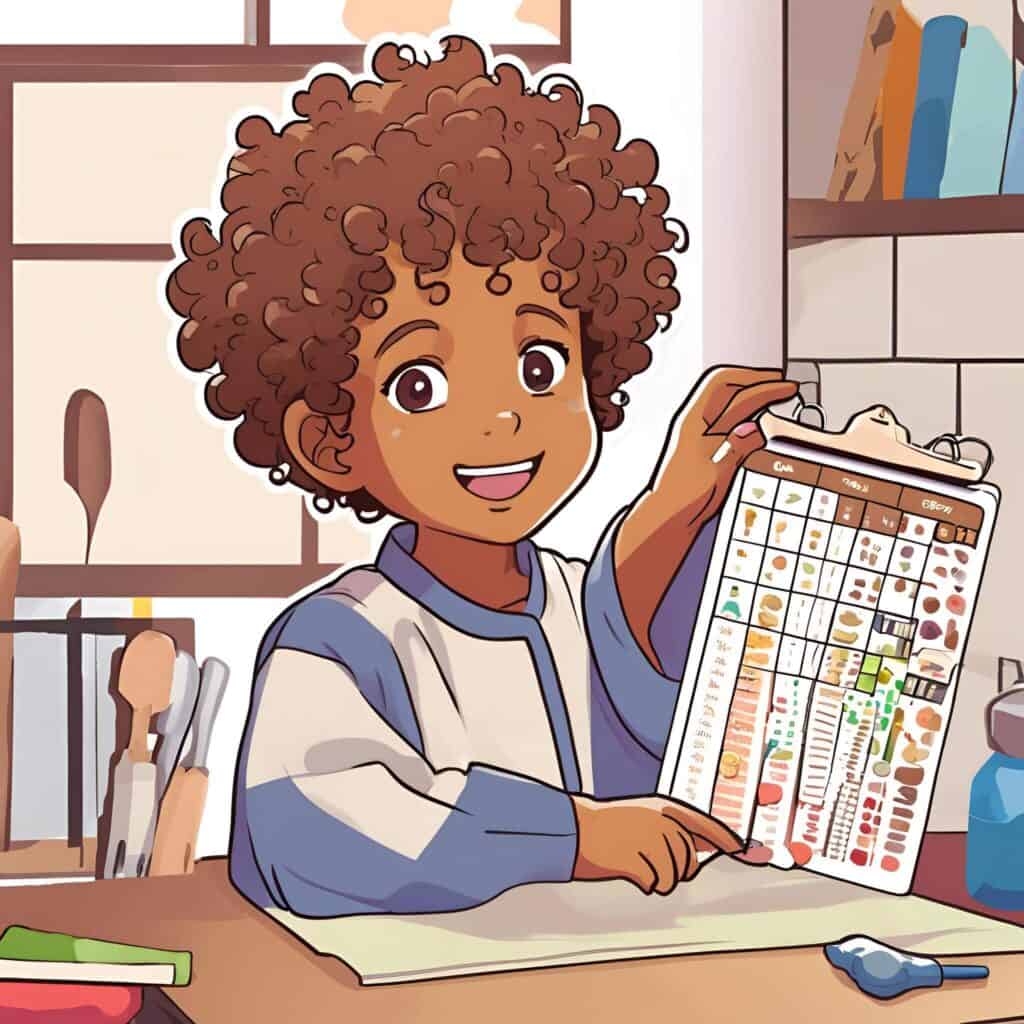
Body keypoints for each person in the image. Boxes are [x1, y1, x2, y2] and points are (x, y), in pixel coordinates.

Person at [167, 35, 796, 918]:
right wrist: (578, 839)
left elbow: (668, 704)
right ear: (329, 438)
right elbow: (307, 835)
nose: (500, 419)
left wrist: (681, 506)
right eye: (420, 384)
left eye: (539, 366)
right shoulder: (343, 640)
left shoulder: (585, 605)